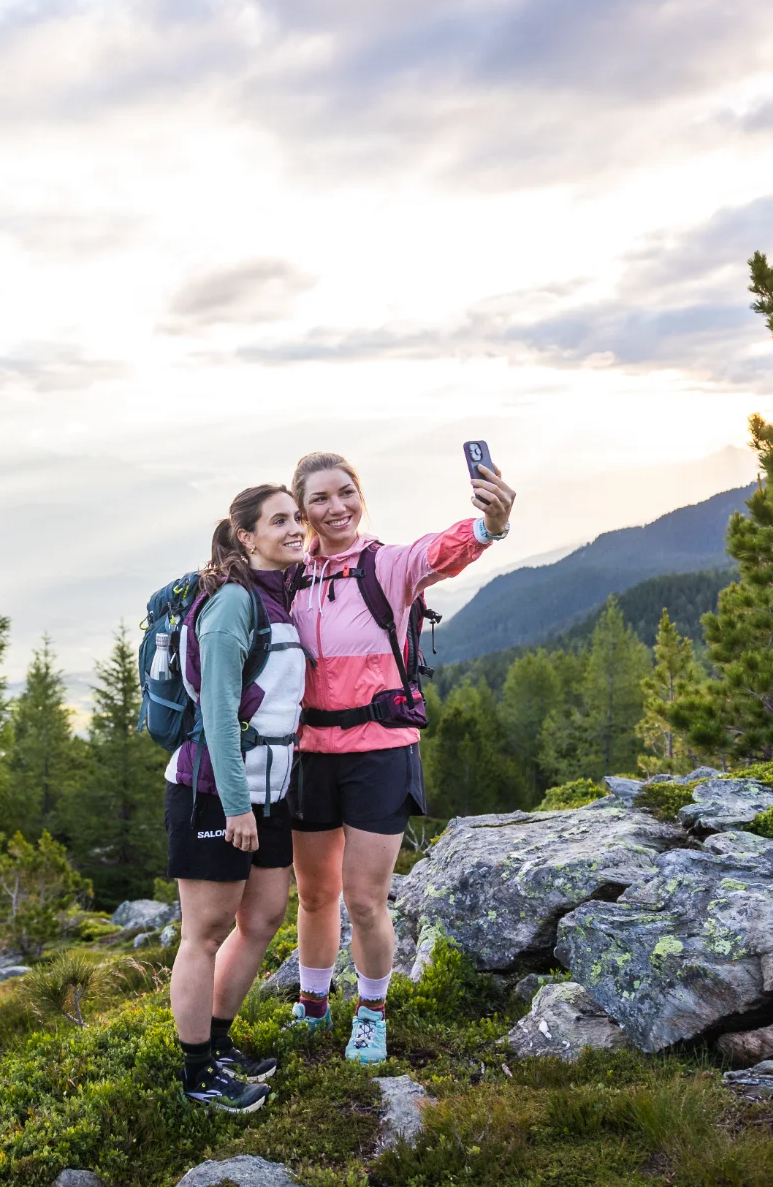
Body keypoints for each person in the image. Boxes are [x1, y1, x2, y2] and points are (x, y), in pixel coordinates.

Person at [286, 450, 515, 1064]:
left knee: (363, 899)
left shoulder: (386, 566)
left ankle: (371, 1011)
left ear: (361, 496)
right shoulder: (290, 576)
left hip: (380, 751)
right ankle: (311, 1004)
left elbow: (438, 551)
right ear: (302, 510)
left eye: (346, 493)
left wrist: (488, 527)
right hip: (309, 752)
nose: (337, 508)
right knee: (312, 897)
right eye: (320, 499)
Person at [166, 484, 309, 1113]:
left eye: (296, 517)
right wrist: (235, 806)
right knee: (205, 930)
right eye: (280, 520)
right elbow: (220, 715)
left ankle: (220, 1043)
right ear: (247, 537)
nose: (295, 527)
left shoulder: (279, 599)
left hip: (269, 790)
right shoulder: (231, 604)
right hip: (214, 792)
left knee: (264, 916)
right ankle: (199, 1074)